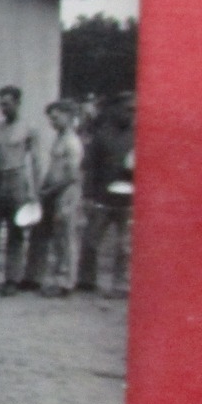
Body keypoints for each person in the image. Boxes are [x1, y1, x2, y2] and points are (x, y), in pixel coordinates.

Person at [0, 85, 43, 296]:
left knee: (16, 232)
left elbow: (35, 161)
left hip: (17, 181)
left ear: (17, 102)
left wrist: (35, 191)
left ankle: (11, 279)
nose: (3, 108)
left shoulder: (29, 128)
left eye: (6, 104)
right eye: (1, 104)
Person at [78, 92, 135, 298]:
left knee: (124, 245)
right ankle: (86, 280)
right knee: (90, 240)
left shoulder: (140, 135)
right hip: (102, 197)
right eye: (127, 109)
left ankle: (120, 284)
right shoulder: (101, 135)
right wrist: (88, 196)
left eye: (133, 110)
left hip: (128, 199)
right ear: (115, 109)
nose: (130, 114)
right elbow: (90, 168)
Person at [32, 99, 85, 297]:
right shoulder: (59, 138)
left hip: (67, 193)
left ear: (68, 116)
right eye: (50, 119)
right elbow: (54, 169)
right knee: (57, 236)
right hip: (55, 192)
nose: (52, 122)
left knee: (66, 237)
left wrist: (50, 190)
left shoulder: (72, 142)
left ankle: (67, 282)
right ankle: (57, 278)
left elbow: (71, 176)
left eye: (56, 117)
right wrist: (44, 187)